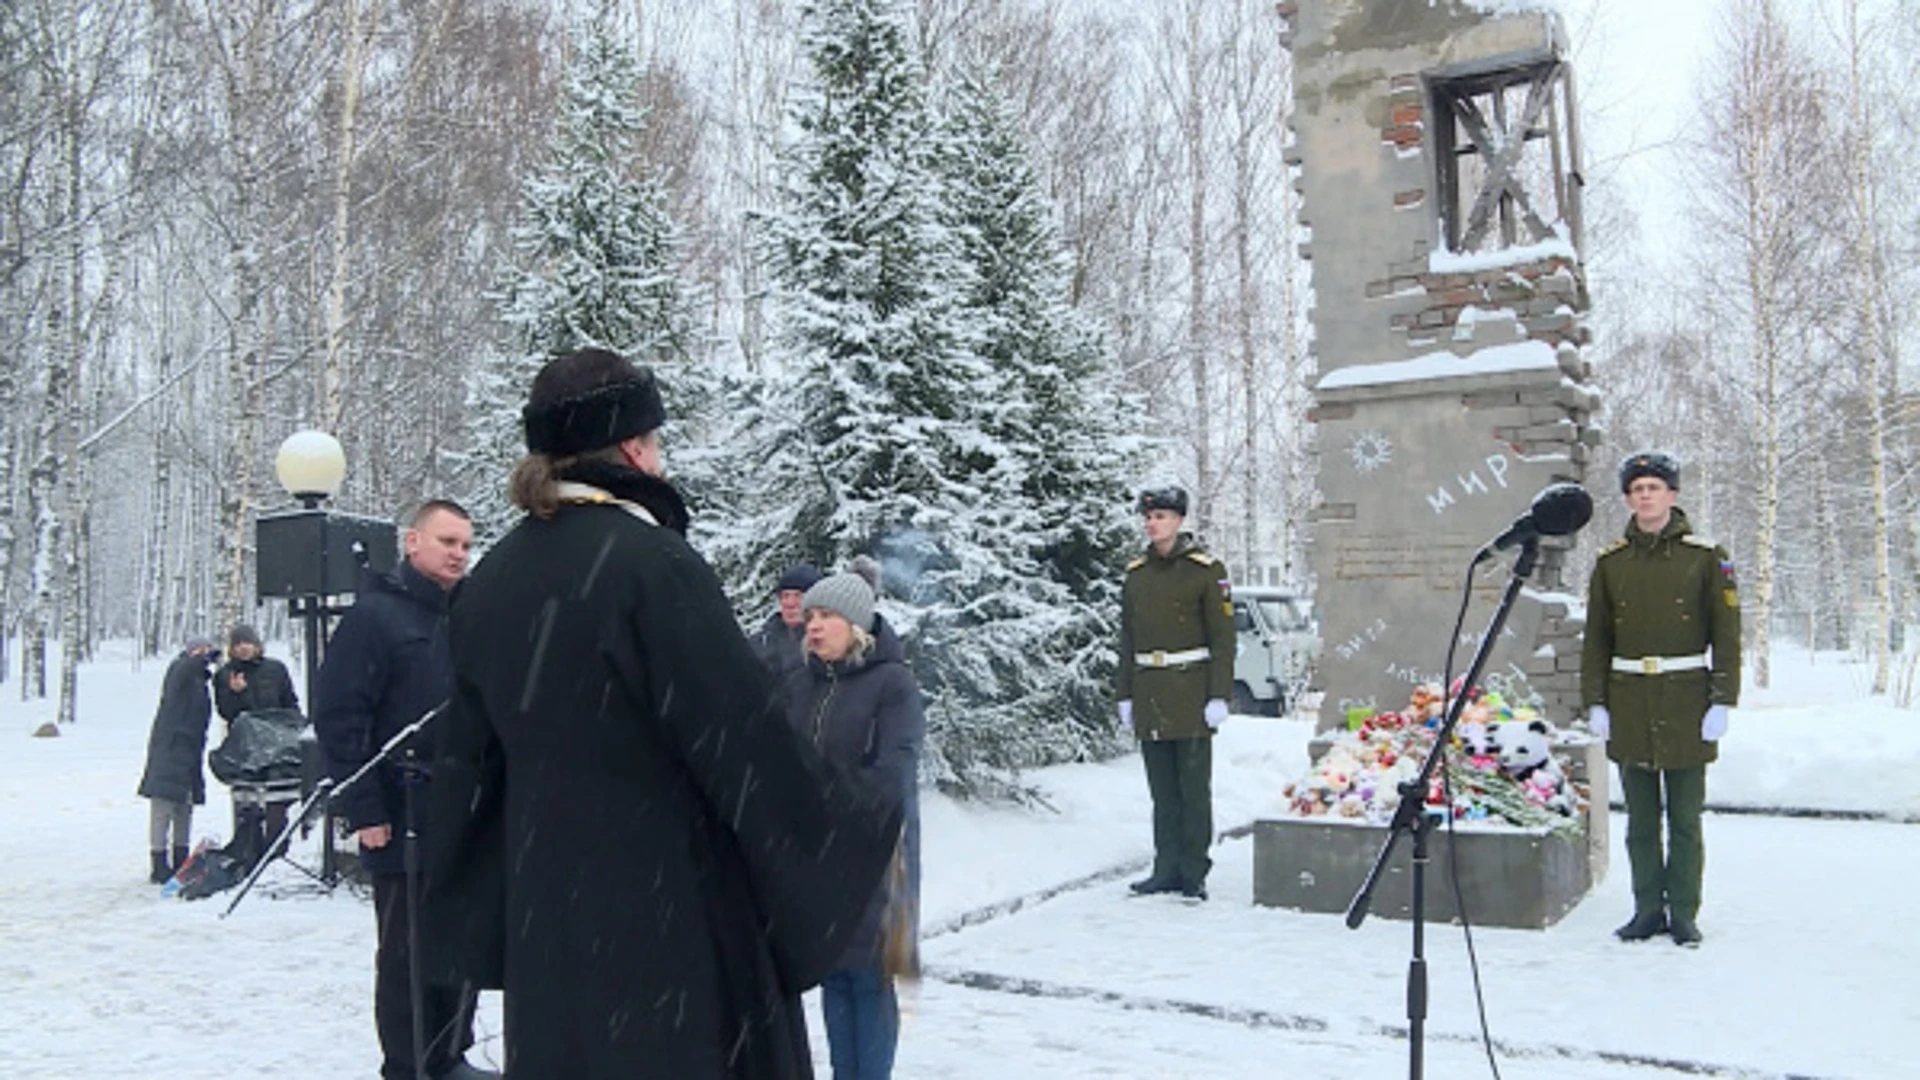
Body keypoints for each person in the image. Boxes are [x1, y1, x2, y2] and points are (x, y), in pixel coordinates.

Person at [421, 347, 903, 1079]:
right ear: (634, 448)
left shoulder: (491, 582)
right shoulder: (652, 566)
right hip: (668, 923)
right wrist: (853, 819)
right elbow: (744, 741)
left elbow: (466, 769)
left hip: (549, 925)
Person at [313, 499, 490, 1080]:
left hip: (464, 810)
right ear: (413, 543)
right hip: (400, 808)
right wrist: (364, 808)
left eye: (466, 544)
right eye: (447, 542)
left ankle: (451, 1052)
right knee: (408, 953)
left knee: (462, 938)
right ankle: (410, 1064)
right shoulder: (375, 618)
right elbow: (341, 716)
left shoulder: (470, 615)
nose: (459, 554)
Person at [1581, 452, 1741, 948]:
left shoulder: (1707, 557)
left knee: (1686, 820)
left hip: (1686, 702)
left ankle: (1685, 912)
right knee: (1641, 822)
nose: (1645, 495)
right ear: (1628, 498)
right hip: (1630, 702)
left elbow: (1727, 634)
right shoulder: (1611, 563)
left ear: (1672, 495)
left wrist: (1722, 699)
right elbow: (1597, 638)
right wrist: (1597, 702)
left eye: (1654, 486)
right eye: (1637, 488)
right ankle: (1647, 909)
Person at [784, 557, 923, 1080]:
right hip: (819, 858)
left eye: (827, 616)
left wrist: (825, 800)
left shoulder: (893, 685)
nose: (813, 625)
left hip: (880, 857)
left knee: (871, 976)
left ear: (857, 626)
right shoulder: (802, 684)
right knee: (835, 973)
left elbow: (894, 773)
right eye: (811, 615)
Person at [1115, 485, 1235, 901]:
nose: (1152, 524)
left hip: (1191, 689)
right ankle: (1165, 868)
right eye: (1148, 517)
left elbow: (1223, 638)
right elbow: (1127, 639)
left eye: (1161, 517)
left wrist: (1219, 694)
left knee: (1192, 788)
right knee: (1162, 791)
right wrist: (1125, 694)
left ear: (1179, 521)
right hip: (1150, 689)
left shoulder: (1205, 570)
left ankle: (1193, 871)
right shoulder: (1136, 576)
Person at [213, 623, 301, 860]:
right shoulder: (225, 674)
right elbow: (226, 712)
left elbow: (290, 704)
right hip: (246, 749)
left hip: (277, 747)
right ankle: (248, 852)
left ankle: (277, 853)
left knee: (278, 802)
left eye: (247, 643)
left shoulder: (276, 669)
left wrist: (293, 729)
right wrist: (236, 693)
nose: (243, 648)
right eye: (238, 644)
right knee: (247, 803)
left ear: (257, 644)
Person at [137, 636, 219, 884]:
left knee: (185, 805)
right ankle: (158, 863)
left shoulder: (199, 683)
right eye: (199, 650)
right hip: (170, 748)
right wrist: (203, 658)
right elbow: (185, 668)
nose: (203, 655)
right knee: (163, 807)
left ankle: (181, 859)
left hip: (190, 750)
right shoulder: (179, 672)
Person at [752, 562, 823, 679]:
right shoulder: (760, 642)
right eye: (785, 596)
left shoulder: (829, 642)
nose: (790, 603)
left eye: (798, 596)